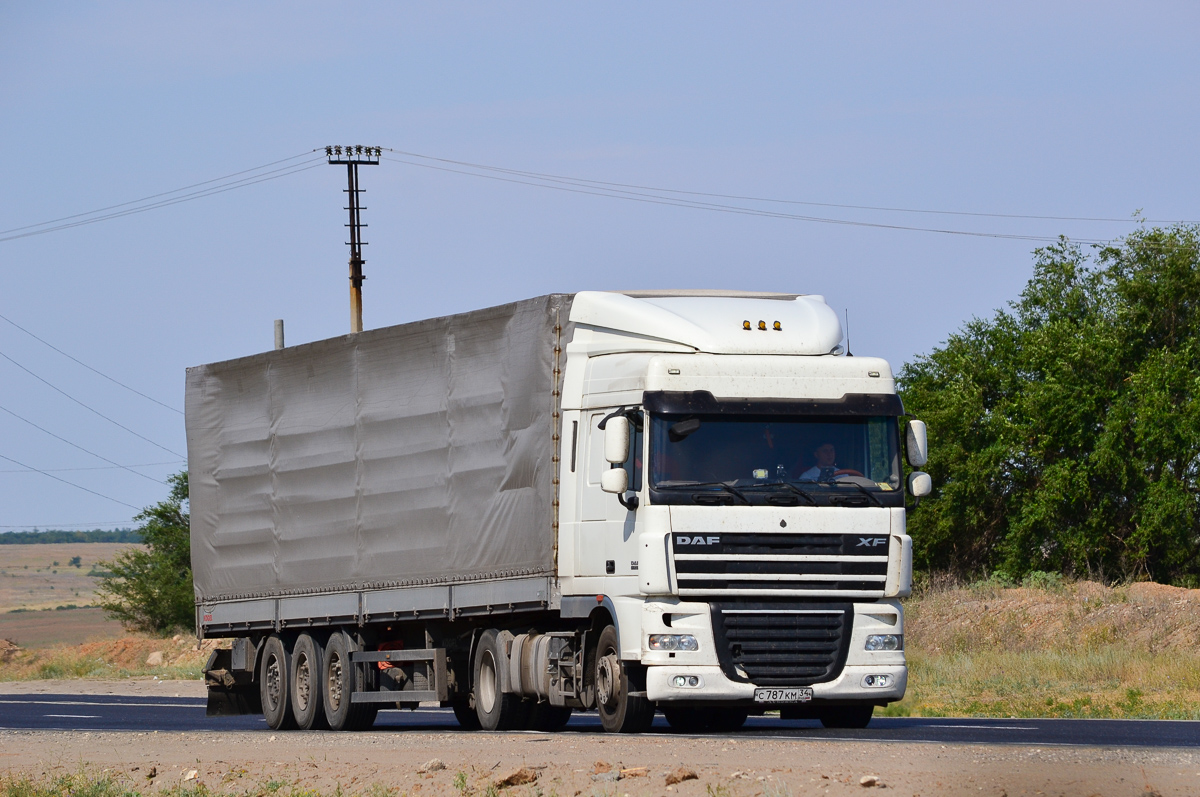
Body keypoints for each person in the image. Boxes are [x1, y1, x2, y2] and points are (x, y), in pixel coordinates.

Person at [798, 443, 862, 481]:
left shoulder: (843, 475)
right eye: (825, 451)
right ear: (816, 454)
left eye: (831, 450)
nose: (829, 454)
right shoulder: (807, 477)